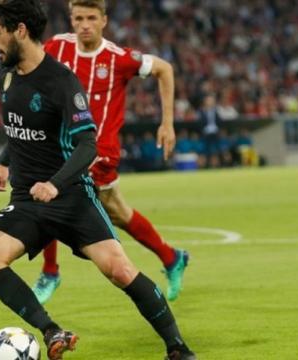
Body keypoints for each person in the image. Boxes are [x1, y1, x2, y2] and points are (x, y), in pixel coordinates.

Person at [0, 1, 196, 359]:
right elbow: (21, 131)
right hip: (29, 201)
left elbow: (87, 145)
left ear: (20, 31)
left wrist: (56, 185)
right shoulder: (9, 75)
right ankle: (51, 331)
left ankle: (177, 348)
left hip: (72, 196)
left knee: (119, 270)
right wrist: (3, 162)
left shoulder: (62, 81)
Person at [32, 0, 189, 305]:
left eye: (91, 18)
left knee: (52, 195)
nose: (84, 25)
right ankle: (172, 258)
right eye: (78, 18)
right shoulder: (57, 48)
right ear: (71, 19)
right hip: (62, 146)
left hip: (99, 153)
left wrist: (167, 123)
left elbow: (164, 69)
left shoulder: (118, 58)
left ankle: (51, 272)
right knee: (116, 212)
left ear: (104, 20)